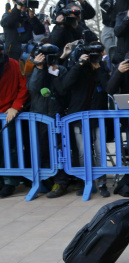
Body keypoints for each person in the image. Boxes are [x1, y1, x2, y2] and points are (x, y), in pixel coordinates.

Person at [62, 41, 111, 198]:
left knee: (99, 151)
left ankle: (102, 183)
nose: (94, 58)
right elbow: (65, 85)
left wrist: (98, 69)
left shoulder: (101, 68)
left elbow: (108, 87)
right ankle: (87, 182)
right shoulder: (78, 67)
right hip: (79, 116)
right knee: (83, 152)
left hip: (98, 116)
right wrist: (80, 64)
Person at [26, 43, 71, 198]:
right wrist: (39, 69)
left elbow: (63, 91)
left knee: (59, 151)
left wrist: (54, 71)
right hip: (39, 116)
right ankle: (46, 182)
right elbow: (32, 88)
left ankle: (61, 182)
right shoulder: (34, 69)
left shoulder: (61, 70)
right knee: (41, 150)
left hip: (57, 116)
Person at [0, 42, 29, 198]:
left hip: (8, 113)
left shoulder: (14, 65)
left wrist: (16, 106)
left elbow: (23, 87)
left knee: (10, 148)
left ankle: (10, 182)